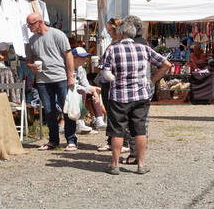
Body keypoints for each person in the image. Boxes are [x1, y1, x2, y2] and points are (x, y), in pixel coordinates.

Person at [99, 16, 168, 175]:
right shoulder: (144, 49)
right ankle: (141, 164)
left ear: (121, 34)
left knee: (117, 131)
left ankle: (115, 165)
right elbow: (166, 64)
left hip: (119, 95)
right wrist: (152, 80)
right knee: (140, 130)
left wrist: (114, 78)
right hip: (140, 95)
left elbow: (105, 72)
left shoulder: (112, 49)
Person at [24, 11, 76, 151]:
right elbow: (28, 60)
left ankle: (71, 140)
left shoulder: (57, 34)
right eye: (28, 24)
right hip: (42, 80)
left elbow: (69, 55)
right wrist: (31, 66)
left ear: (40, 22)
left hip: (60, 78)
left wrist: (70, 76)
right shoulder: (31, 40)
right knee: (49, 111)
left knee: (67, 110)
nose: (29, 27)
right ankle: (53, 141)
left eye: (31, 24)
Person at [70, 46, 106, 135]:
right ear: (74, 57)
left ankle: (98, 120)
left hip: (78, 90)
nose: (86, 59)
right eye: (82, 57)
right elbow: (73, 85)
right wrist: (89, 89)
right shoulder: (68, 67)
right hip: (69, 92)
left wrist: (94, 91)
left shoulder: (81, 68)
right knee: (82, 91)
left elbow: (85, 84)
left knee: (95, 90)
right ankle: (79, 122)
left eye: (86, 56)